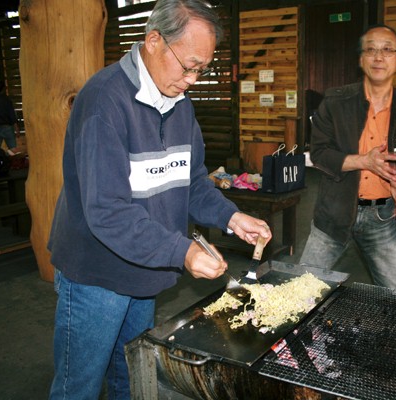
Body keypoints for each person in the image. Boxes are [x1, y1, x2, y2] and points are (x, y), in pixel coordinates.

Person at [47, 1, 271, 399]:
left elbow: (192, 182)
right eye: (188, 65)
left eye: (201, 70)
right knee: (76, 388)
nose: (193, 79)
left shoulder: (180, 105)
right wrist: (183, 251)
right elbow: (108, 212)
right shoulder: (105, 101)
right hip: (96, 276)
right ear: (153, 41)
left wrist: (232, 218)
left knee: (131, 378)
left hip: (144, 269)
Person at [299, 25, 396, 292]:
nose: (378, 57)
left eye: (387, 50)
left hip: (382, 217)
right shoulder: (335, 102)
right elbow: (319, 154)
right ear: (361, 59)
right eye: (370, 50)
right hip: (335, 212)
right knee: (302, 292)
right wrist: (364, 161)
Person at [0, 79, 20, 156]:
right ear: (4, 88)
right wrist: (16, 129)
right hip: (7, 128)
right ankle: (10, 160)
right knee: (13, 150)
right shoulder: (6, 99)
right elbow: (12, 115)